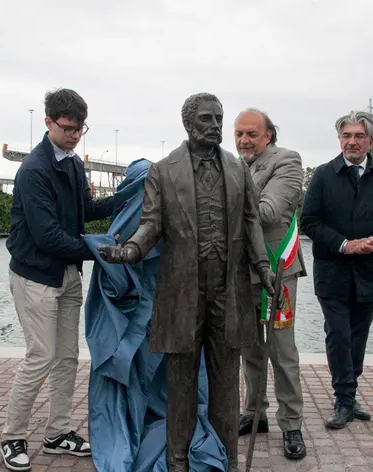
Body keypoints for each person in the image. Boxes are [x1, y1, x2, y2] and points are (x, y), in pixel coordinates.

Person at [97, 92, 276, 472]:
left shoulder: (237, 169)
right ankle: (178, 461)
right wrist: (130, 251)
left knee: (226, 385)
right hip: (182, 294)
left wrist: (263, 267)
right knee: (180, 386)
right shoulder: (163, 171)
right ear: (189, 124)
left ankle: (226, 458)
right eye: (208, 120)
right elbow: (150, 226)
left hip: (228, 292)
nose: (215, 127)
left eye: (218, 119)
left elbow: (251, 223)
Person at [0, 88, 115, 472]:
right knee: (41, 356)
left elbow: (87, 209)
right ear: (48, 122)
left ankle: (58, 432)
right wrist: (102, 250)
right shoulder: (33, 169)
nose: (74, 135)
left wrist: (128, 194)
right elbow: (47, 235)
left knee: (68, 357)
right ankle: (13, 436)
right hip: (35, 275)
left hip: (66, 274)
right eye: (67, 128)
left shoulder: (73, 163)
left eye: (81, 129)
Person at [299, 110, 373, 430]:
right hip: (332, 270)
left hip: (370, 270)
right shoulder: (322, 175)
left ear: (371, 140)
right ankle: (344, 399)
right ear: (339, 139)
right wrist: (345, 244)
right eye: (346, 135)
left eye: (359, 136)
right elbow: (309, 222)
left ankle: (349, 392)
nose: (352, 141)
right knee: (339, 335)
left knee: (358, 337)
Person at [234, 108, 307, 459]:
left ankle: (291, 425)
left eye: (251, 134)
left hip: (278, 270)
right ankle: (254, 412)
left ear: (268, 135)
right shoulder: (233, 164)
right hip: (241, 272)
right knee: (249, 348)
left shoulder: (287, 161)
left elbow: (269, 212)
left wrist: (215, 206)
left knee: (282, 352)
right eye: (238, 134)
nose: (244, 140)